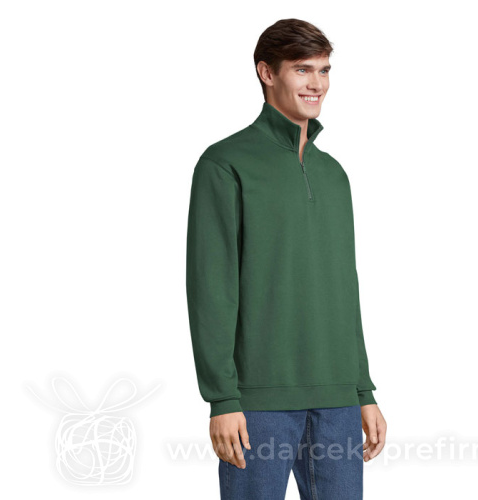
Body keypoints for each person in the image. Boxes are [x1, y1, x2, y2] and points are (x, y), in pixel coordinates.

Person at [186, 18, 387, 499]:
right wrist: (222, 398)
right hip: (259, 402)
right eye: (302, 69)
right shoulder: (225, 163)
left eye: (324, 70)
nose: (317, 83)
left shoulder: (333, 174)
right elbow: (211, 289)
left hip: (338, 398)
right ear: (267, 73)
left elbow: (344, 289)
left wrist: (362, 390)